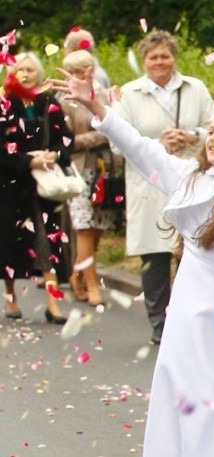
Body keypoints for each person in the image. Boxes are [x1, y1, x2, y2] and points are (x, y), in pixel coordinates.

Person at [53, 67, 214, 457]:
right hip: (190, 305)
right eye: (213, 132)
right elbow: (138, 147)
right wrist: (98, 106)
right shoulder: (188, 178)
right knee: (190, 390)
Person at [114, 30, 214, 344]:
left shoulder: (194, 88)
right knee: (155, 257)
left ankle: (188, 321)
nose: (160, 62)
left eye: (165, 56)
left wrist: (193, 136)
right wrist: (156, 144)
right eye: (153, 57)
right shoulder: (130, 94)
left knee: (192, 253)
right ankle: (160, 324)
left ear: (174, 58)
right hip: (148, 185)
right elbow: (118, 142)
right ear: (144, 61)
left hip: (189, 178)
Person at [0, 52, 71, 324]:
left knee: (47, 242)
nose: (26, 74)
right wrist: (28, 161)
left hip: (44, 187)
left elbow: (65, 138)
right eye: (21, 70)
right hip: (11, 185)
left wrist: (54, 155)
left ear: (39, 75)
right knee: (9, 244)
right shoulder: (5, 105)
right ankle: (11, 299)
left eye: (30, 70)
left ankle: (54, 304)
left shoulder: (49, 102)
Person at [58, 50, 114, 307]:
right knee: (83, 225)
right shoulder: (62, 100)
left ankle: (77, 274)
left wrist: (102, 135)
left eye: (85, 69)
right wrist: (99, 136)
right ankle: (92, 284)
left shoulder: (103, 94)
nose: (82, 75)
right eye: (76, 71)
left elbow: (117, 125)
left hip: (105, 167)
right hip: (78, 170)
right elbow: (67, 141)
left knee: (98, 226)